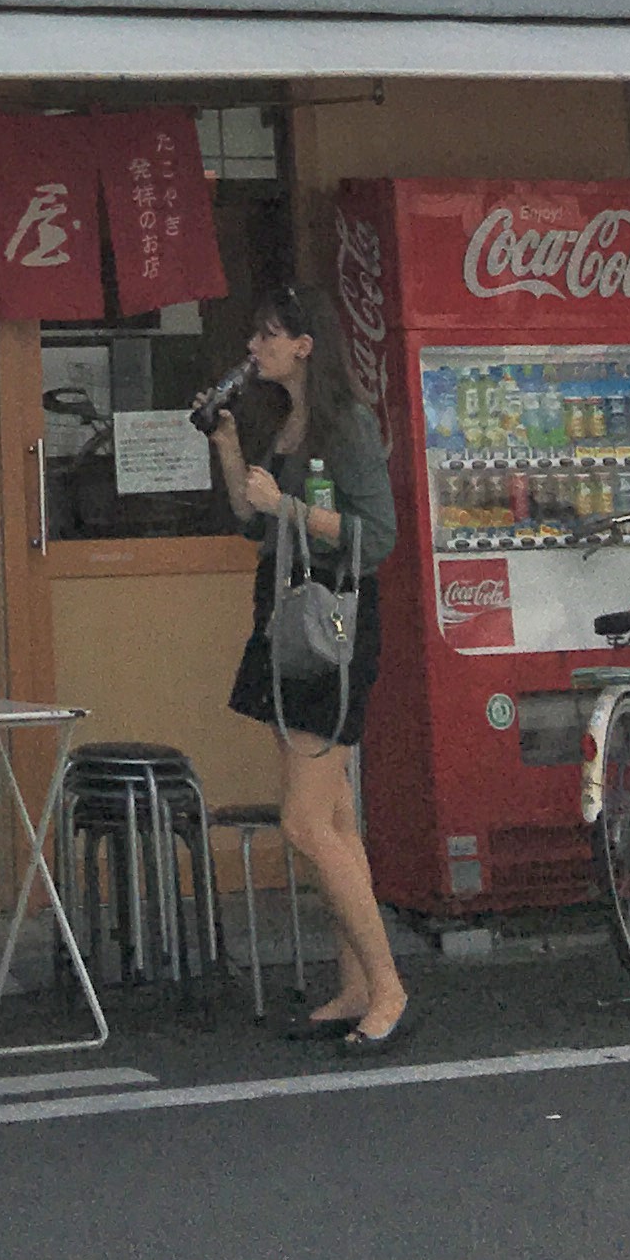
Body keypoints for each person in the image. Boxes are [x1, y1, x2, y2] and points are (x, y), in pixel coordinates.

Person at [209, 283, 409, 1056]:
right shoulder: (286, 422)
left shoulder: (345, 423)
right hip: (288, 611)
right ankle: (357, 982)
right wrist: (230, 451)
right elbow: (248, 516)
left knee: (302, 818)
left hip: (333, 620)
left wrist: (287, 507)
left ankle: (389, 986)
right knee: (334, 818)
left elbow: (377, 535)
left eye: (267, 334)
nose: (254, 347)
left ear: (304, 343)